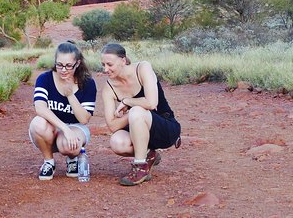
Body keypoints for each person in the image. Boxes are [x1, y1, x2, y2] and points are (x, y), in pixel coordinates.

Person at [101, 43, 181, 186]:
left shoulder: (142, 68)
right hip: (138, 132)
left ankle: (140, 166)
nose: (105, 69)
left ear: (123, 61)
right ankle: (149, 154)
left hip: (165, 127)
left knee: (137, 110)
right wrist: (132, 112)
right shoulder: (109, 88)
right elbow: (112, 126)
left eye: (109, 64)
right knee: (116, 142)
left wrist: (128, 101)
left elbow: (151, 103)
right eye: (103, 65)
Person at [29, 41, 97, 180]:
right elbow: (40, 107)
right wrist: (65, 129)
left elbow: (84, 119)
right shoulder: (45, 78)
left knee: (68, 145)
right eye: (59, 65)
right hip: (52, 128)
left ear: (77, 64)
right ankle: (49, 162)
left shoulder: (88, 83)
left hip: (76, 127)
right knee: (38, 123)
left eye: (68, 66)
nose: (63, 70)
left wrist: (70, 95)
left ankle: (72, 159)